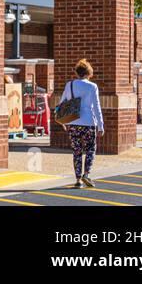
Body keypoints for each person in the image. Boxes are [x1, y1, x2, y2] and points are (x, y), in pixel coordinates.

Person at [59, 59, 105, 188]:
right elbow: (96, 107)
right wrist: (101, 125)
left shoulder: (70, 85)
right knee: (90, 149)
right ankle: (87, 174)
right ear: (88, 72)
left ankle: (78, 180)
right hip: (89, 122)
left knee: (77, 151)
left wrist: (63, 120)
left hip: (73, 122)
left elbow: (63, 103)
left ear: (77, 72)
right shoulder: (92, 86)